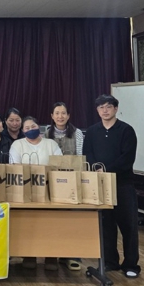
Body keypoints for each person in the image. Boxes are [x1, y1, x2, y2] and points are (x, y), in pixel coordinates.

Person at [83, 94, 140, 278]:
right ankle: (110, 261)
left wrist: (106, 169)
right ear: (97, 110)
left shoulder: (126, 130)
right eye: (101, 107)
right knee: (106, 225)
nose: (105, 110)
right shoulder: (92, 131)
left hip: (123, 184)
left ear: (116, 108)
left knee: (128, 226)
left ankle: (131, 264)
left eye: (108, 107)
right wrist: (96, 169)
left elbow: (127, 157)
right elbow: (87, 153)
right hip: (100, 185)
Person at [11, 116, 62, 271]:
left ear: (38, 127)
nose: (30, 129)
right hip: (26, 190)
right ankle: (29, 255)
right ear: (22, 131)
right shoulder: (17, 144)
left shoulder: (51, 144)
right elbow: (15, 167)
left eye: (33, 126)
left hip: (49, 190)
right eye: (26, 128)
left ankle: (51, 256)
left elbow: (59, 165)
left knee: (50, 224)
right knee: (29, 224)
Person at [45, 102, 85, 271]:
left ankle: (72, 255)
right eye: (57, 113)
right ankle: (51, 254)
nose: (60, 116)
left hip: (72, 182)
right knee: (52, 220)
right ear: (52, 116)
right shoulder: (46, 133)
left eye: (63, 113)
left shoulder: (77, 133)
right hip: (52, 182)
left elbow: (80, 156)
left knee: (71, 219)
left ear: (68, 116)